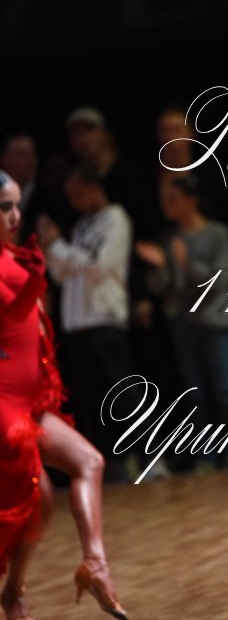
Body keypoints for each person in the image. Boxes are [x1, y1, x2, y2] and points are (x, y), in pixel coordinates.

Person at [0, 171, 127, 620]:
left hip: (31, 399)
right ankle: (14, 592)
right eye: (5, 207)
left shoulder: (17, 258)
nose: (15, 215)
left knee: (89, 461)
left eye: (17, 205)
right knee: (39, 498)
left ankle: (95, 565)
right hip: (3, 405)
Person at [135, 174, 228, 468]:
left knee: (223, 390)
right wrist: (160, 266)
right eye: (165, 200)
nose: (167, 205)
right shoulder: (170, 239)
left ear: (192, 200)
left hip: (216, 322)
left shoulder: (217, 234)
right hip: (184, 323)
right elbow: (166, 287)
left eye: (174, 199)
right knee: (195, 393)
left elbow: (220, 281)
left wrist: (186, 264)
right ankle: (206, 454)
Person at [38, 165, 133, 482]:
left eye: (78, 194)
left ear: (94, 188)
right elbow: (61, 274)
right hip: (77, 324)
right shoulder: (80, 226)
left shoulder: (115, 218)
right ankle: (107, 462)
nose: (74, 202)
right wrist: (54, 249)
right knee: (92, 400)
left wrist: (59, 248)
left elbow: (98, 266)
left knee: (120, 395)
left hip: (104, 319)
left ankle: (139, 457)